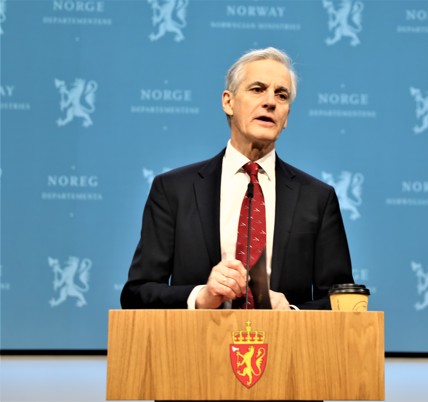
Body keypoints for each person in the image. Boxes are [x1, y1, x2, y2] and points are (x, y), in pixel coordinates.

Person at [121, 47, 353, 311]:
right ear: (228, 102)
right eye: (257, 89)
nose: (270, 102)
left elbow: (342, 301)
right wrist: (201, 297)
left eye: (281, 95)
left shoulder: (317, 198)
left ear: (286, 116)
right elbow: (137, 293)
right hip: (199, 337)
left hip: (285, 338)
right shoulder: (174, 190)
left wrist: (292, 314)